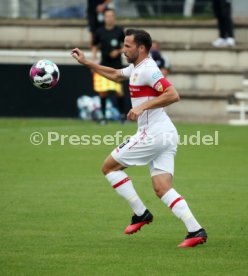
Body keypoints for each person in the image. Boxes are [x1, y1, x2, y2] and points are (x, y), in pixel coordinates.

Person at [71, 29, 208, 247]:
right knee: (162, 187)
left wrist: (143, 106)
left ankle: (141, 213)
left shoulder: (149, 70)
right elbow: (116, 75)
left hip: (153, 134)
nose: (123, 49)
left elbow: (173, 94)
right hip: (166, 133)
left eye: (128, 46)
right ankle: (195, 230)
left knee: (109, 167)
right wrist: (87, 62)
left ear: (141, 48)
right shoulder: (137, 68)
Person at [91, 8, 126, 124]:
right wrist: (94, 59)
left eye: (111, 16)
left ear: (114, 17)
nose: (109, 18)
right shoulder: (99, 31)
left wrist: (118, 51)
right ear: (104, 18)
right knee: (103, 91)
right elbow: (94, 45)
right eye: (107, 16)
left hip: (117, 66)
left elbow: (126, 46)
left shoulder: (120, 31)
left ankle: (122, 116)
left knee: (119, 91)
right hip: (104, 66)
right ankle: (103, 116)